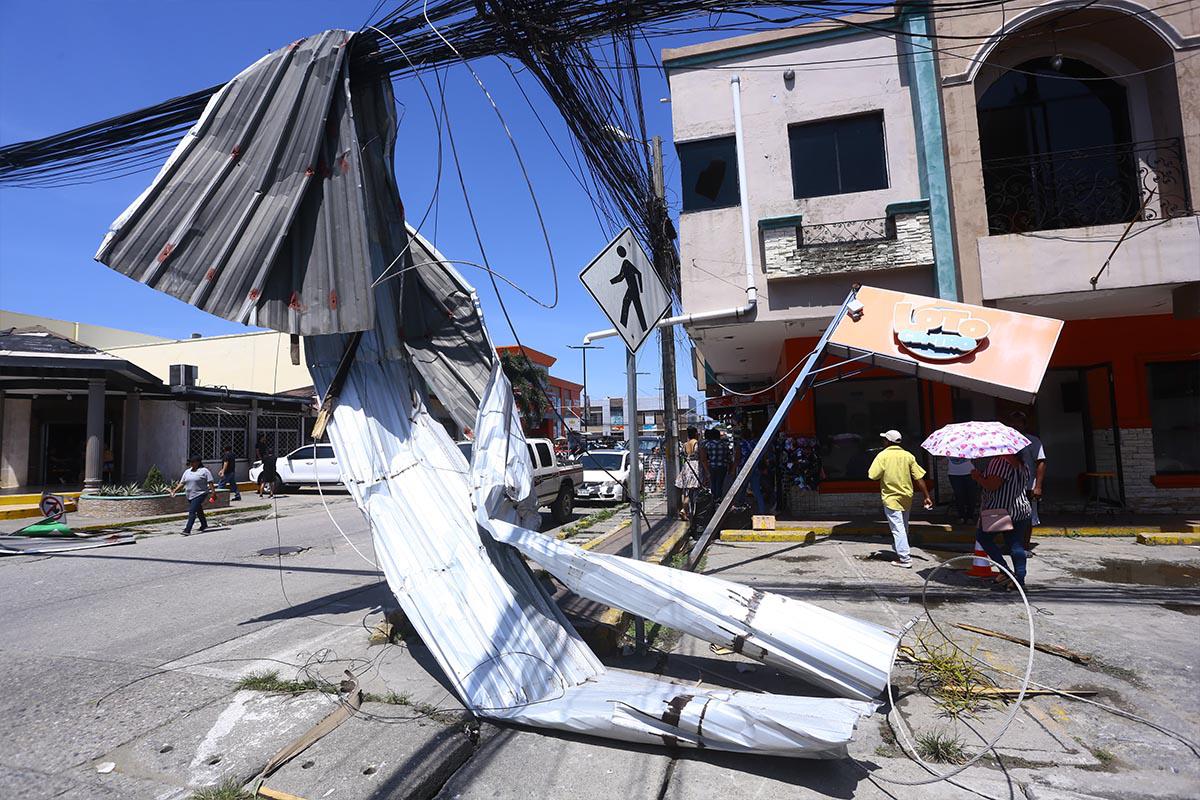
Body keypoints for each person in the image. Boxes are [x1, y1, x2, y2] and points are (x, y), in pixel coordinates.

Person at [867, 430, 933, 568]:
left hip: (891, 497)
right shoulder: (908, 455)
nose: (883, 441)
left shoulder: (882, 456)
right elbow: (919, 477)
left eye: (884, 439)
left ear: (888, 441)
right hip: (907, 496)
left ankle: (905, 558)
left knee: (898, 528)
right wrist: (927, 496)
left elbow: (873, 475)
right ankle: (900, 548)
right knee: (903, 525)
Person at [971, 452, 1032, 589]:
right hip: (1021, 510)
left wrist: (978, 477)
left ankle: (1004, 571)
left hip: (1001, 511)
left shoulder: (1000, 462)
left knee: (983, 538)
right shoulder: (1022, 464)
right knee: (1015, 545)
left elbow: (992, 485)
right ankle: (1019, 579)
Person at [1008, 411, 1046, 548]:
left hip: (1028, 486)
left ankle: (1025, 545)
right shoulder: (1008, 442)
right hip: (1010, 487)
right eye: (1012, 422)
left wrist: (1038, 486)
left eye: (1018, 422)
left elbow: (1041, 462)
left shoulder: (1033, 441)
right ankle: (1012, 544)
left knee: (1027, 516)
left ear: (1024, 425)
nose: (1015, 425)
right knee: (1010, 516)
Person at [170, 455, 215, 535]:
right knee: (198, 510)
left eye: (193, 462)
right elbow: (182, 483)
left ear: (198, 462)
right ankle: (204, 525)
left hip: (200, 493)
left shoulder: (204, 471)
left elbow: (210, 482)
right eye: (190, 462)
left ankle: (187, 529)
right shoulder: (187, 472)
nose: (191, 463)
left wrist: (213, 493)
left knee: (192, 511)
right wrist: (175, 490)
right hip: (190, 494)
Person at [733, 428, 768, 514]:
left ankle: (740, 505)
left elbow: (737, 458)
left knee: (742, 488)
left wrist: (733, 470)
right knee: (756, 490)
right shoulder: (755, 443)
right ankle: (761, 509)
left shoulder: (740, 444)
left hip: (744, 469)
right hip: (755, 468)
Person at [675, 426, 702, 521]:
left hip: (687, 466)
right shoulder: (696, 443)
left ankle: (685, 510)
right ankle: (687, 510)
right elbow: (701, 456)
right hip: (695, 467)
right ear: (695, 434)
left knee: (686, 491)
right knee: (694, 490)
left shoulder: (685, 444)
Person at [701, 428, 732, 503]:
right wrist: (730, 468)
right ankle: (718, 499)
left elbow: (704, 458)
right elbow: (729, 457)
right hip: (722, 466)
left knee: (713, 483)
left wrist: (706, 470)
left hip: (712, 466)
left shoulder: (708, 445)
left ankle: (714, 499)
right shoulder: (724, 445)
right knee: (720, 483)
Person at [947, 455, 977, 523]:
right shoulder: (948, 446)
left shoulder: (968, 445)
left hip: (970, 472)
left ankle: (970, 516)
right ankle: (961, 516)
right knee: (959, 495)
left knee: (971, 495)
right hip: (954, 473)